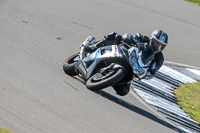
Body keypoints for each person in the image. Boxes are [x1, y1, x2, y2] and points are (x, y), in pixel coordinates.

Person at [81, 30, 168, 95]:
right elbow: (129, 36)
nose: (157, 46)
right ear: (152, 39)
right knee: (116, 36)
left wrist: (149, 72)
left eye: (160, 45)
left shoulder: (159, 58)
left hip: (132, 70)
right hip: (125, 55)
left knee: (123, 91)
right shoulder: (145, 40)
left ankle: (108, 78)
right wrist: (133, 39)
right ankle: (93, 47)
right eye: (156, 42)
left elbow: (153, 71)